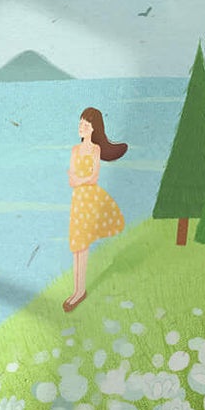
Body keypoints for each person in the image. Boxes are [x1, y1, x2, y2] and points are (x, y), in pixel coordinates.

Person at [64, 107, 127, 311]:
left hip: (89, 201)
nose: (81, 127)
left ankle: (80, 291)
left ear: (94, 129)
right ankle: (77, 290)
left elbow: (93, 177)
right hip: (78, 201)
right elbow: (71, 178)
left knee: (83, 245)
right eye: (81, 123)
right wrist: (79, 179)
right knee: (76, 246)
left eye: (86, 125)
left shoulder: (96, 150)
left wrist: (79, 179)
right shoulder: (75, 150)